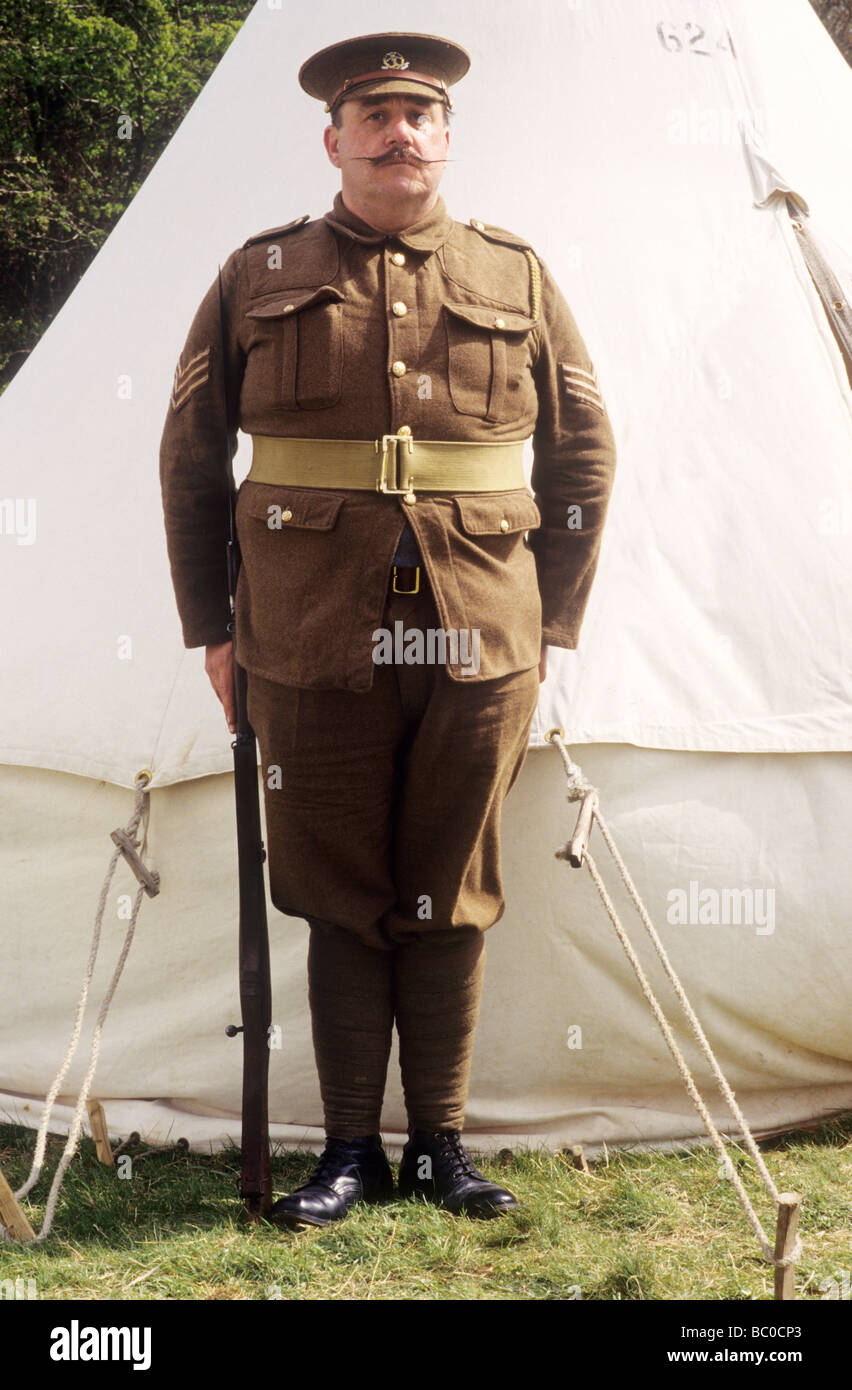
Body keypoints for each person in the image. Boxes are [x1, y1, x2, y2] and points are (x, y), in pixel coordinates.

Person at [159, 31, 617, 1228]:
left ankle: (444, 1148)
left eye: (419, 113)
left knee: (450, 890)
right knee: (337, 888)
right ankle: (350, 1149)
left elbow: (583, 447)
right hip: (308, 637)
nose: (398, 132)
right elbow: (191, 454)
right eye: (374, 115)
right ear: (335, 139)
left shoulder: (513, 270)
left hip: (480, 639)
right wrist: (214, 625)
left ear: (447, 137)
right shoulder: (258, 268)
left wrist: (550, 615)